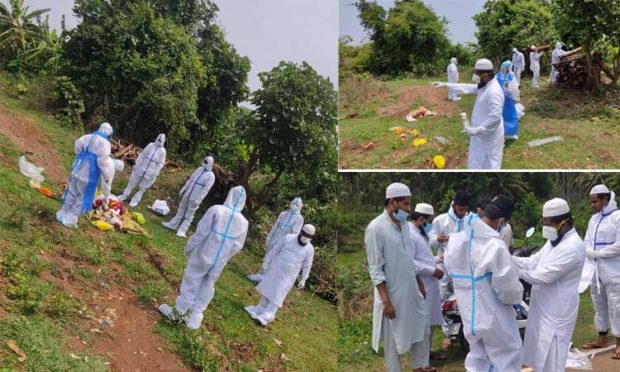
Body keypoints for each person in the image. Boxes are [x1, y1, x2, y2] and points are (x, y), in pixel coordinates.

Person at [444, 195, 523, 372]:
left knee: (478, 359)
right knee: (506, 357)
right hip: (494, 315)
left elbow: (449, 269)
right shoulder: (495, 246)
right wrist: (518, 293)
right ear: (502, 221)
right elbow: (508, 289)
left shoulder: (456, 240)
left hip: (469, 314)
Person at [159, 186, 249, 330]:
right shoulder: (244, 222)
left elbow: (201, 231)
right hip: (219, 260)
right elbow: (237, 246)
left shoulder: (217, 210)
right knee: (208, 285)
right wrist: (225, 257)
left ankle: (178, 312)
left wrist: (189, 247)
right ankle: (195, 318)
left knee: (192, 279)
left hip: (204, 252)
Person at [512, 198, 586, 372]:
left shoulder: (572, 247)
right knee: (540, 358)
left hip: (557, 312)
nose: (546, 229)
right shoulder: (554, 241)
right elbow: (533, 262)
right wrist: (508, 258)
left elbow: (543, 276)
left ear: (564, 223)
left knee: (553, 360)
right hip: (543, 308)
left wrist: (513, 270)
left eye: (549, 224)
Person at [365, 183, 433, 372]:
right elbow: (375, 269)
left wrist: (418, 282)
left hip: (411, 288)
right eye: (406, 204)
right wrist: (386, 301)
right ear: (392, 202)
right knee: (393, 340)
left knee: (421, 325)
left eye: (410, 204)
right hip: (391, 294)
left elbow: (408, 259)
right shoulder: (375, 229)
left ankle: (419, 367)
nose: (409, 209)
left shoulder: (403, 225)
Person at [431, 59, 505, 169]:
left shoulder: (494, 92)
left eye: (476, 74)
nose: (475, 77)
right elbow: (468, 87)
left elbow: (495, 117)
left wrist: (478, 130)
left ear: (485, 75)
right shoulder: (485, 86)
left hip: (488, 138)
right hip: (480, 136)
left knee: (488, 165)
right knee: (476, 162)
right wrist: (446, 84)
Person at [245, 224, 315, 326]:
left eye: (310, 236)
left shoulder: (310, 249)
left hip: (288, 276)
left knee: (278, 294)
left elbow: (308, 264)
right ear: (301, 232)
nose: (306, 237)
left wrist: (304, 278)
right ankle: (259, 310)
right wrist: (267, 261)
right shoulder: (288, 238)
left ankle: (267, 316)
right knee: (268, 289)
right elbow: (275, 249)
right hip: (275, 270)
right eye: (306, 234)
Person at [581, 185, 620, 359]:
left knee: (616, 305)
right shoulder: (593, 219)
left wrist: (597, 253)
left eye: (595, 201)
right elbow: (587, 240)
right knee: (599, 305)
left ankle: (619, 342)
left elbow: (618, 245)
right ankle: (602, 337)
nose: (592, 205)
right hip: (595, 270)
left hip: (614, 269)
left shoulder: (617, 217)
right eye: (591, 202)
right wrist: (589, 251)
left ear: (605, 200)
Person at [428, 190, 469, 347]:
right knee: (444, 297)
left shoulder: (468, 219)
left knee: (462, 297)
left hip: (463, 267)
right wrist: (437, 238)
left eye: (465, 210)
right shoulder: (440, 221)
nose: (463, 213)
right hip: (445, 266)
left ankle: (463, 330)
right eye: (460, 210)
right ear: (453, 205)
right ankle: (449, 334)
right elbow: (429, 239)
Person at [56, 122, 115, 228]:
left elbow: (77, 144)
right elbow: (103, 162)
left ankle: (62, 213)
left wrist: (81, 155)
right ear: (109, 133)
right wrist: (106, 176)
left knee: (71, 193)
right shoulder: (105, 143)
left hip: (77, 169)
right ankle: (70, 219)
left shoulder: (88, 136)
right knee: (82, 197)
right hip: (88, 175)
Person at [409, 203, 445, 362]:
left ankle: (427, 354)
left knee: (429, 324)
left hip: (429, 285)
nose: (430, 226)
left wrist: (437, 259)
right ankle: (422, 361)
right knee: (422, 325)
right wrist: (433, 270)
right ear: (421, 219)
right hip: (421, 284)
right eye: (429, 222)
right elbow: (410, 263)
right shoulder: (410, 234)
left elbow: (424, 258)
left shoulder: (420, 233)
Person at [247, 197, 304, 283]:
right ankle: (260, 274)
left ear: (300, 206)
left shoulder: (299, 219)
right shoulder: (283, 214)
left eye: (297, 204)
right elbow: (275, 226)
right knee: (268, 256)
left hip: (284, 241)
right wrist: (269, 238)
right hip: (275, 238)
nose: (294, 205)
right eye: (293, 203)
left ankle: (267, 279)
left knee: (276, 260)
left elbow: (295, 234)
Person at [162, 156, 215, 238]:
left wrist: (199, 199)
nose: (204, 163)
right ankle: (172, 224)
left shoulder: (211, 176)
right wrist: (184, 189)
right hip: (188, 193)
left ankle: (182, 231)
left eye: (206, 162)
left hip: (195, 197)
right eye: (204, 161)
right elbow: (191, 180)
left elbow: (206, 190)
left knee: (189, 215)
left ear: (210, 164)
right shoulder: (199, 169)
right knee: (180, 210)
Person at [118, 133, 166, 207]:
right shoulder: (151, 145)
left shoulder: (163, 151)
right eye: (158, 139)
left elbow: (160, 164)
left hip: (150, 171)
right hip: (142, 167)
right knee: (132, 181)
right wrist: (137, 164)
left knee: (143, 188)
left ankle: (134, 201)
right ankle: (124, 195)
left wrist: (155, 173)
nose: (159, 141)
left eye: (161, 140)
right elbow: (143, 155)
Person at [496, 61, 520, 140]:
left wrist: (509, 86)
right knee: (500, 115)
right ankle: (501, 132)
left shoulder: (511, 75)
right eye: (504, 68)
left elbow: (515, 85)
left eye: (507, 68)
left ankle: (511, 133)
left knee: (510, 115)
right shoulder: (497, 76)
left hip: (508, 99)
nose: (506, 69)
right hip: (499, 99)